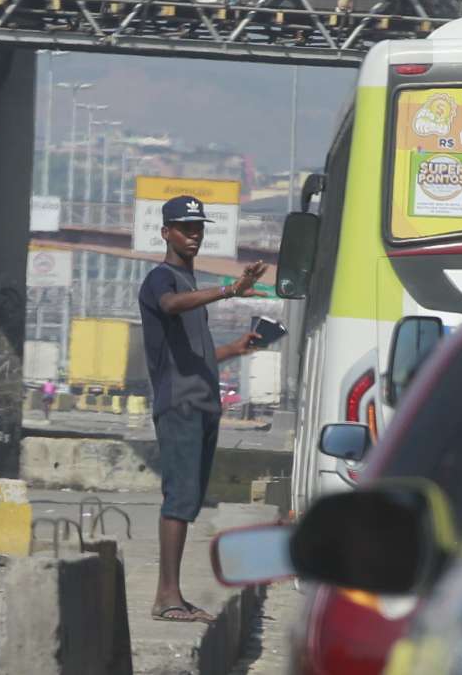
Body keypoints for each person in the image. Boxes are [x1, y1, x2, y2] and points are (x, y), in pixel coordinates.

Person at [139, 195, 266, 623]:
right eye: (184, 227)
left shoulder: (192, 285)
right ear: (165, 233)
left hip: (204, 404)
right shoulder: (162, 278)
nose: (193, 234)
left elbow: (195, 351)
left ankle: (174, 595)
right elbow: (168, 306)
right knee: (178, 499)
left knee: (190, 499)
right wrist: (230, 290)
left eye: (198, 228)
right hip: (180, 405)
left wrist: (235, 348)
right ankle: (166, 597)